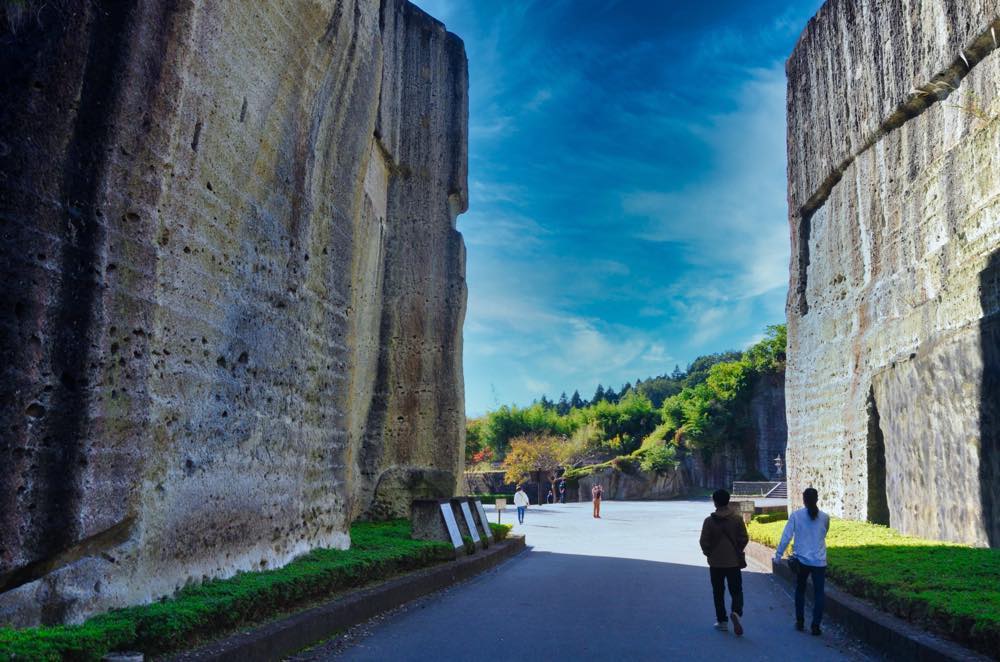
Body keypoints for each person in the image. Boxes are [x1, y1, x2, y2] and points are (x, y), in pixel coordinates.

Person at [774, 487, 830, 635]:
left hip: (802, 561)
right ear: (817, 499)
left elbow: (786, 536)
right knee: (819, 594)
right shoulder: (825, 517)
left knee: (800, 590)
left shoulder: (796, 516)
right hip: (819, 561)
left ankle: (800, 621)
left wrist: (778, 556)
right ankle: (816, 626)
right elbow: (824, 534)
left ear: (803, 500)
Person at [699, 489, 749, 636]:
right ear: (728, 500)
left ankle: (722, 622)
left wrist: (710, 553)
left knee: (718, 592)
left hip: (715, 563)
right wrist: (737, 550)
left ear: (715, 502)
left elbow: (703, 542)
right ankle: (736, 612)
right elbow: (744, 538)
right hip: (733, 561)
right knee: (736, 590)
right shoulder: (737, 519)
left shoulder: (709, 521)